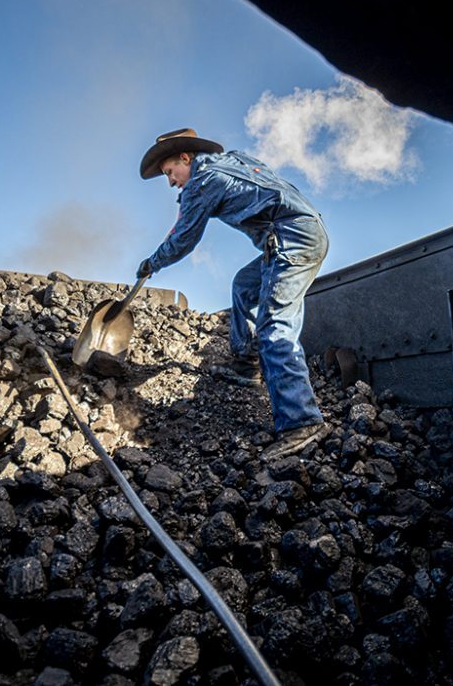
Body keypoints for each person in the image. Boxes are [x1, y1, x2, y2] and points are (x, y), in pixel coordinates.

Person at [137, 127, 330, 460]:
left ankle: (302, 422)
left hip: (292, 239)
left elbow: (183, 239)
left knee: (275, 325)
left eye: (170, 172)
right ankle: (247, 362)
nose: (170, 182)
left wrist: (151, 263)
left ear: (186, 157)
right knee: (243, 284)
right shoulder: (235, 159)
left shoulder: (203, 180)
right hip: (302, 231)